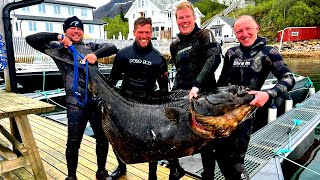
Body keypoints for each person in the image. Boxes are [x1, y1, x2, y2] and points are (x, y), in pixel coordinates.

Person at [200, 15, 295, 180]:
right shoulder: (231, 53)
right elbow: (222, 83)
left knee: (236, 162)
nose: (244, 34)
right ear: (235, 33)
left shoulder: (269, 52)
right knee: (219, 154)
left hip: (244, 116)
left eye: (248, 29)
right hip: (223, 114)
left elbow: (288, 78)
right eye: (239, 31)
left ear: (257, 27)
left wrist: (268, 94)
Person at [26, 16, 118, 180]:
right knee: (73, 142)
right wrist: (58, 37)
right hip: (75, 103)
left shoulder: (90, 46)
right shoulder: (58, 49)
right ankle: (71, 176)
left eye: (79, 28)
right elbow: (31, 39)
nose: (76, 31)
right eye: (72, 28)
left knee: (102, 139)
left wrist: (95, 55)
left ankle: (101, 171)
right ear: (66, 30)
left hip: (96, 101)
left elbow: (113, 47)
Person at [104, 17, 183, 180]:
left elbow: (163, 89)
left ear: (151, 33)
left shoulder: (158, 58)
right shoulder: (123, 54)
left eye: (147, 32)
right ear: (134, 32)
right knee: (119, 135)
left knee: (151, 139)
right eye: (141, 32)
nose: (144, 35)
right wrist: (102, 96)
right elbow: (112, 81)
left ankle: (152, 175)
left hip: (148, 102)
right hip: (125, 101)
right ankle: (121, 167)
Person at [170, 2, 222, 180]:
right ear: (176, 20)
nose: (184, 21)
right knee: (175, 136)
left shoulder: (204, 35)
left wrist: (197, 85)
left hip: (204, 97)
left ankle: (208, 176)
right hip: (182, 99)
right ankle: (175, 169)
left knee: (206, 142)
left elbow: (214, 58)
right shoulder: (175, 45)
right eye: (180, 18)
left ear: (193, 17)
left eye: (187, 17)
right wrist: (172, 93)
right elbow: (179, 72)